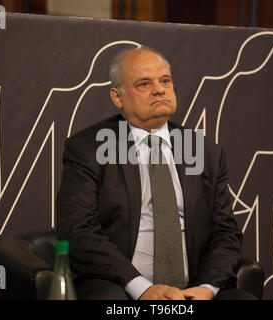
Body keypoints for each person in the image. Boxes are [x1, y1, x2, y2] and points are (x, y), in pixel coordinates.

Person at [56, 47, 254, 300]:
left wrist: (206, 288)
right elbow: (78, 230)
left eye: (165, 81)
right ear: (118, 97)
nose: (159, 89)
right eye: (144, 83)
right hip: (120, 286)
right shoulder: (88, 149)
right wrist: (142, 289)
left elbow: (226, 232)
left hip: (191, 289)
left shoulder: (205, 152)